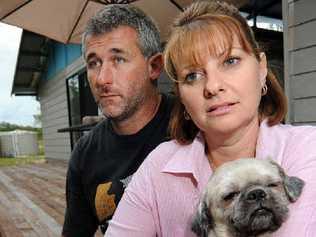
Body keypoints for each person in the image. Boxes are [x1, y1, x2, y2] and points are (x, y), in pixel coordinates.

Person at [105, 1, 316, 236]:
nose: (213, 86)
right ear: (182, 98)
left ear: (261, 68)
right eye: (192, 75)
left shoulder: (308, 148)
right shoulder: (159, 167)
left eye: (230, 61)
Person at [61, 4, 174, 237]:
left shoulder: (192, 124)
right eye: (93, 63)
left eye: (119, 59)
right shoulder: (84, 155)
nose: (102, 79)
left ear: (154, 66)